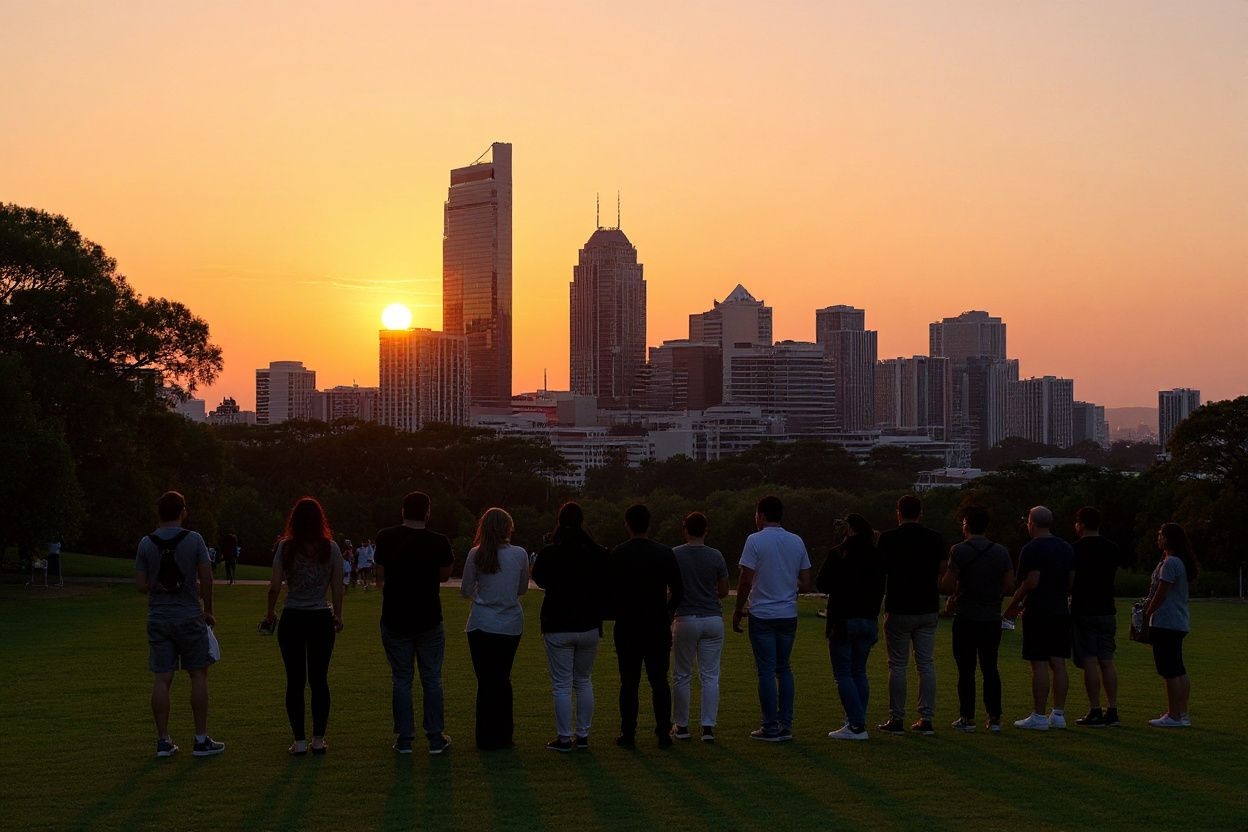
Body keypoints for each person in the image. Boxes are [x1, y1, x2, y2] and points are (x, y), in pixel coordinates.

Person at [134, 490, 224, 758]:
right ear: (183, 511)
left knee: (162, 678)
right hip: (188, 615)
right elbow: (206, 578)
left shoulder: (145, 543)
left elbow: (140, 585)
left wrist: (156, 584)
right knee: (198, 675)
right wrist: (208, 610)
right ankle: (200, 738)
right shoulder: (194, 540)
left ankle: (163, 741)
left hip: (159, 616)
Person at [374, 492, 455, 755]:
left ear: (403, 511)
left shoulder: (386, 537)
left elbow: (380, 574)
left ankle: (405, 738)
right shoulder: (439, 541)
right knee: (431, 678)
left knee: (401, 679)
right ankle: (434, 736)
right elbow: (445, 575)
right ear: (427, 512)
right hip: (429, 616)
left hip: (396, 616)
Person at [263, 498, 344, 755]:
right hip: (321, 616)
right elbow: (337, 586)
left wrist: (269, 613)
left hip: (293, 617)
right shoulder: (330, 548)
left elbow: (275, 586)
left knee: (295, 681)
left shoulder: (286, 548)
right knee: (319, 679)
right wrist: (338, 615)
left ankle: (299, 741)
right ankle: (318, 739)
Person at [733, 495, 812, 742]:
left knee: (766, 671)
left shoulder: (754, 540)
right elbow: (806, 583)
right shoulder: (796, 541)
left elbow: (745, 580)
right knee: (784, 668)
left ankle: (769, 726)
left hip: (763, 614)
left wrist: (738, 609)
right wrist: (787, 584)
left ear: (762, 515)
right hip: (788, 614)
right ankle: (785, 724)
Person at [531, 502, 609, 752]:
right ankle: (583, 735)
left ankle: (564, 738)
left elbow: (540, 580)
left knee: (562, 684)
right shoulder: (595, 552)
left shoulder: (550, 552)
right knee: (584, 681)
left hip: (558, 622)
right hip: (588, 623)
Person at [609, 504, 683, 749]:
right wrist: (668, 611)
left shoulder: (619, 553)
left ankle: (628, 734)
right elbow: (678, 590)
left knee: (628, 682)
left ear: (627, 524)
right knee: (659, 681)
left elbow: (608, 591)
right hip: (656, 625)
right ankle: (663, 732)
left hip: (628, 625)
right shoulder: (664, 553)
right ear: (649, 524)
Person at [876, 494, 946, 735]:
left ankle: (897, 718)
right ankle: (926, 718)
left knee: (897, 665)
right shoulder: (935, 538)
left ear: (898, 512)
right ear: (921, 513)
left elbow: (881, 570)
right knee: (925, 664)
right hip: (927, 606)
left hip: (899, 606)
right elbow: (941, 570)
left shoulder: (888, 538)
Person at [460, 507, 529, 750]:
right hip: (509, 624)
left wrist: (483, 592)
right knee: (502, 679)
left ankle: (485, 737)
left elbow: (465, 590)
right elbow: (521, 590)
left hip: (481, 623)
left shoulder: (475, 554)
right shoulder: (519, 554)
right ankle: (504, 736)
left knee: (485, 682)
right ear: (508, 528)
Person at [941, 505, 1013, 733]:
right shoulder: (1001, 551)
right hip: (991, 617)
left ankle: (967, 717)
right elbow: (1010, 584)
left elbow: (948, 583)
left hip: (966, 616)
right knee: (990, 667)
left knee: (966, 669)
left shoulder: (959, 550)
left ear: (967, 525)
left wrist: (956, 595)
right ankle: (994, 718)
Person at [1007, 506, 1076, 731]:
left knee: (1039, 664)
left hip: (1038, 611)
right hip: (1060, 610)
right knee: (1059, 662)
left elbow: (1031, 582)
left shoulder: (1031, 549)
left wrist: (1014, 604)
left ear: (1032, 523)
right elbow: (1071, 581)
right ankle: (1058, 714)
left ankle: (1038, 715)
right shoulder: (1066, 548)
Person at [816, 513, 885, 740]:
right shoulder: (876, 555)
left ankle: (856, 725)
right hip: (868, 619)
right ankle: (856, 720)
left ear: (850, 530)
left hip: (843, 619)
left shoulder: (839, 553)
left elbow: (822, 583)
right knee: (859, 672)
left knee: (843, 673)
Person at [1070, 506, 1132, 727]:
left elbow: (1071, 579)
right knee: (1107, 661)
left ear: (1081, 524)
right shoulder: (1111, 548)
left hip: (1084, 608)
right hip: (1107, 609)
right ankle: (1112, 709)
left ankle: (1095, 709)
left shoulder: (1075, 549)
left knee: (1089, 660)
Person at [670, 512, 729, 742]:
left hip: (685, 618)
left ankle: (681, 726)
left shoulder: (675, 554)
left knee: (682, 675)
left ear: (685, 530)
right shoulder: (716, 556)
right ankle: (707, 728)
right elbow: (723, 591)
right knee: (710, 675)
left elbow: (671, 590)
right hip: (712, 619)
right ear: (706, 530)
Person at [1143, 522, 1198, 728]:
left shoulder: (1171, 563)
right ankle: (1181, 713)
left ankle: (1174, 714)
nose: (1158, 538)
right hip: (1178, 621)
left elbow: (1161, 592)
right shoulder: (1176, 561)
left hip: (1167, 622)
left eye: (1160, 535)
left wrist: (1148, 612)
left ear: (1168, 538)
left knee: (1169, 670)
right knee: (1178, 668)